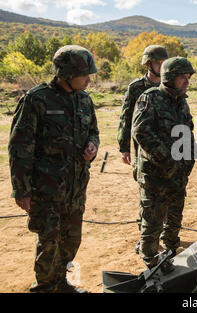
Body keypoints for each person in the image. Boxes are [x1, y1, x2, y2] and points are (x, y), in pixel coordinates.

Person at [8, 45, 99, 293]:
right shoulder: (36, 100)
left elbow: (94, 131)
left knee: (71, 242)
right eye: (85, 73)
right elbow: (19, 148)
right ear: (67, 73)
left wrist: (92, 145)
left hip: (76, 189)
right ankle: (44, 287)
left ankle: (60, 283)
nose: (89, 79)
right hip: (46, 191)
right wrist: (21, 190)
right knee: (49, 244)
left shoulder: (84, 100)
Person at [131, 57, 195, 270]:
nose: (186, 81)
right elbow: (141, 132)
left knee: (175, 217)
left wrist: (188, 161)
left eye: (188, 77)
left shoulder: (182, 101)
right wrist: (168, 161)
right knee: (153, 220)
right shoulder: (150, 98)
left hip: (177, 174)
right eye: (182, 77)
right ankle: (150, 259)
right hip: (155, 175)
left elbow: (187, 131)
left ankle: (170, 251)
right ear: (169, 78)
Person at [117, 45, 168, 254]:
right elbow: (126, 117)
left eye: (164, 62)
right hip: (142, 149)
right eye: (158, 63)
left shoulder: (169, 84)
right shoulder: (136, 87)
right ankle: (145, 236)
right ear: (148, 64)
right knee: (146, 194)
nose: (162, 66)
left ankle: (162, 232)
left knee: (165, 191)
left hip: (165, 149)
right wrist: (123, 147)